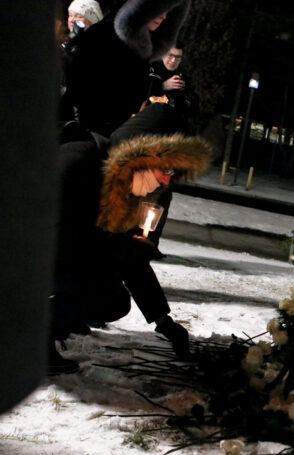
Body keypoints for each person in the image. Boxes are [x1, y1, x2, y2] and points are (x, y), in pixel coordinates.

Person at [50, 104, 212, 374]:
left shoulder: (139, 192)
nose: (167, 179)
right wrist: (110, 245)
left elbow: (130, 257)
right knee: (100, 289)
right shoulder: (80, 160)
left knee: (112, 299)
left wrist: (162, 319)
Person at [63, 0, 191, 136]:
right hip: (90, 132)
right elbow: (79, 89)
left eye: (168, 12)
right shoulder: (104, 35)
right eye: (157, 9)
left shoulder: (144, 48)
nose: (163, 16)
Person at [148, 45, 199, 121]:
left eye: (177, 57)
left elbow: (192, 108)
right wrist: (163, 86)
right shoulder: (150, 66)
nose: (173, 60)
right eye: (170, 56)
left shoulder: (183, 73)